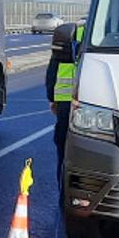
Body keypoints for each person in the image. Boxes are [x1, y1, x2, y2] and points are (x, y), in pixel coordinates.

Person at [44, 22, 81, 185]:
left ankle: (64, 188)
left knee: (64, 147)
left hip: (67, 102)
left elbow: (53, 70)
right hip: (96, 103)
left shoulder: (71, 33)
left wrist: (52, 98)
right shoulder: (108, 29)